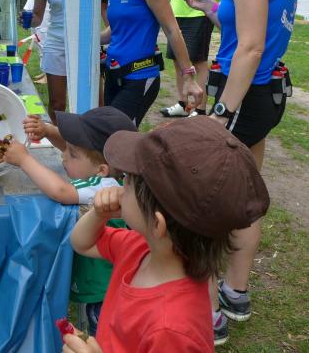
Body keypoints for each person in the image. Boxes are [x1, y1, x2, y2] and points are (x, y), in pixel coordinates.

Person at [181, 0, 298, 344]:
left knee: (209, 202)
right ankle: (237, 292)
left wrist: (221, 113)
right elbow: (249, 29)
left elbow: (250, 47)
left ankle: (210, 316)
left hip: (242, 93)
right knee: (246, 195)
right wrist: (208, 7)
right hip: (265, 92)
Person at [64, 116, 269, 352]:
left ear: (157, 223)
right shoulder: (139, 248)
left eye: (128, 181)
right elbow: (82, 243)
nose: (120, 185)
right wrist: (99, 214)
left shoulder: (173, 329)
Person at [4, 106, 136, 336]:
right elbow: (82, 153)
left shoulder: (102, 186)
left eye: (71, 154)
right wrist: (48, 131)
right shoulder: (113, 175)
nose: (63, 155)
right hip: (107, 279)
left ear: (101, 170)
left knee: (102, 330)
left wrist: (24, 160)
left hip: (102, 289)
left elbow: (61, 191)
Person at [30, 0, 110, 121]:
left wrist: (111, 34)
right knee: (57, 103)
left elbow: (105, 10)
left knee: (95, 102)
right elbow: (37, 16)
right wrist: (26, 19)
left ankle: (94, 139)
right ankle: (60, 139)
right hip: (56, 43)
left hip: (86, 43)